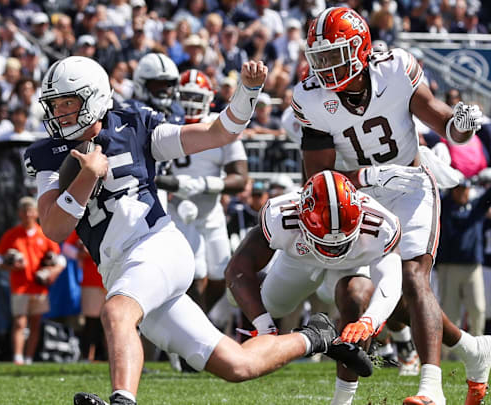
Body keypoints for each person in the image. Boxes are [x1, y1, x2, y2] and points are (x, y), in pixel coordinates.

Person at [25, 56, 371, 405]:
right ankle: (319, 335)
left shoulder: (133, 126)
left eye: (68, 102)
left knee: (116, 313)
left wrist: (247, 92)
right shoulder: (49, 155)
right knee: (237, 365)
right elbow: (54, 228)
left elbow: (216, 133)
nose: (60, 112)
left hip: (156, 247)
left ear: (95, 98)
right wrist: (86, 177)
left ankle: (122, 401)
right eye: (55, 104)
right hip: (121, 272)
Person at [293, 7, 491, 405]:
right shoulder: (311, 98)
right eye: (320, 59)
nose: (326, 69)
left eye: (335, 56)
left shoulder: (395, 69)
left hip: (409, 186)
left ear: (360, 49)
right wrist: (368, 178)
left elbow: (440, 119)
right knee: (356, 295)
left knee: (411, 276)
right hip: (356, 197)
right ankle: (472, 349)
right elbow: (318, 180)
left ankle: (431, 390)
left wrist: (461, 124)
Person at [227, 170, 403, 405]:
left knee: (357, 299)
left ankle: (343, 400)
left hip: (351, 266)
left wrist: (370, 319)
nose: (332, 250)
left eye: (339, 243)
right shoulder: (281, 215)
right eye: (326, 244)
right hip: (299, 261)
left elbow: (391, 281)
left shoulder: (381, 224)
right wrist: (264, 325)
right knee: (267, 305)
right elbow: (237, 269)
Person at [155, 69, 248, 314]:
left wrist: (204, 184)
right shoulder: (164, 125)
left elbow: (240, 179)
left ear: (209, 98)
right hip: (178, 209)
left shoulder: (220, 126)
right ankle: (194, 333)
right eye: (185, 96)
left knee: (222, 274)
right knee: (194, 274)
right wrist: (175, 184)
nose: (189, 104)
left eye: (196, 98)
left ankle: (202, 319)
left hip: (211, 211)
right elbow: (150, 173)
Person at [436, 147, 491, 338]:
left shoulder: (477, 208)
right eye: (459, 188)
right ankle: (449, 352)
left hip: (473, 266)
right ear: (453, 190)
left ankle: (477, 347)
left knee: (478, 309)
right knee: (450, 312)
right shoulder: (445, 206)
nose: (463, 192)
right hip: (449, 266)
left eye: (465, 188)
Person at [0, 196, 65, 365]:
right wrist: (11, 265)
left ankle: (29, 358)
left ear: (36, 213)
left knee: (35, 324)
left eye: (30, 210)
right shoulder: (12, 235)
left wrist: (50, 271)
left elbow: (60, 260)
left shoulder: (44, 234)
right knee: (19, 322)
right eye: (24, 211)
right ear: (19, 214)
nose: (27, 214)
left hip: (38, 287)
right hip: (19, 286)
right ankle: (18, 357)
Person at [130, 52, 185, 125]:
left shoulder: (177, 110)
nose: (164, 89)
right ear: (141, 85)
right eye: (158, 84)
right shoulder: (132, 109)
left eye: (168, 84)